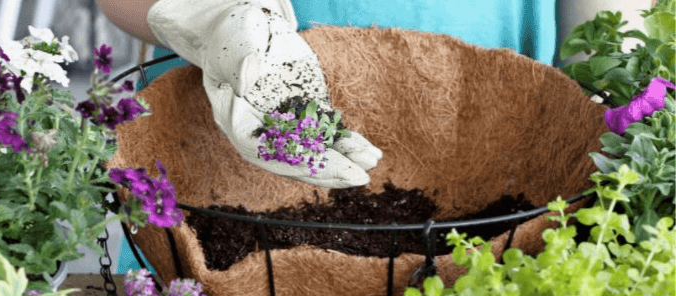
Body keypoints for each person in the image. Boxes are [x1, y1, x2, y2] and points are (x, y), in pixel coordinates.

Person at [95, 0, 647, 273]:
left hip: (496, 213)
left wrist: (621, 97)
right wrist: (219, 20)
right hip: (223, 164)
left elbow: (609, 32)